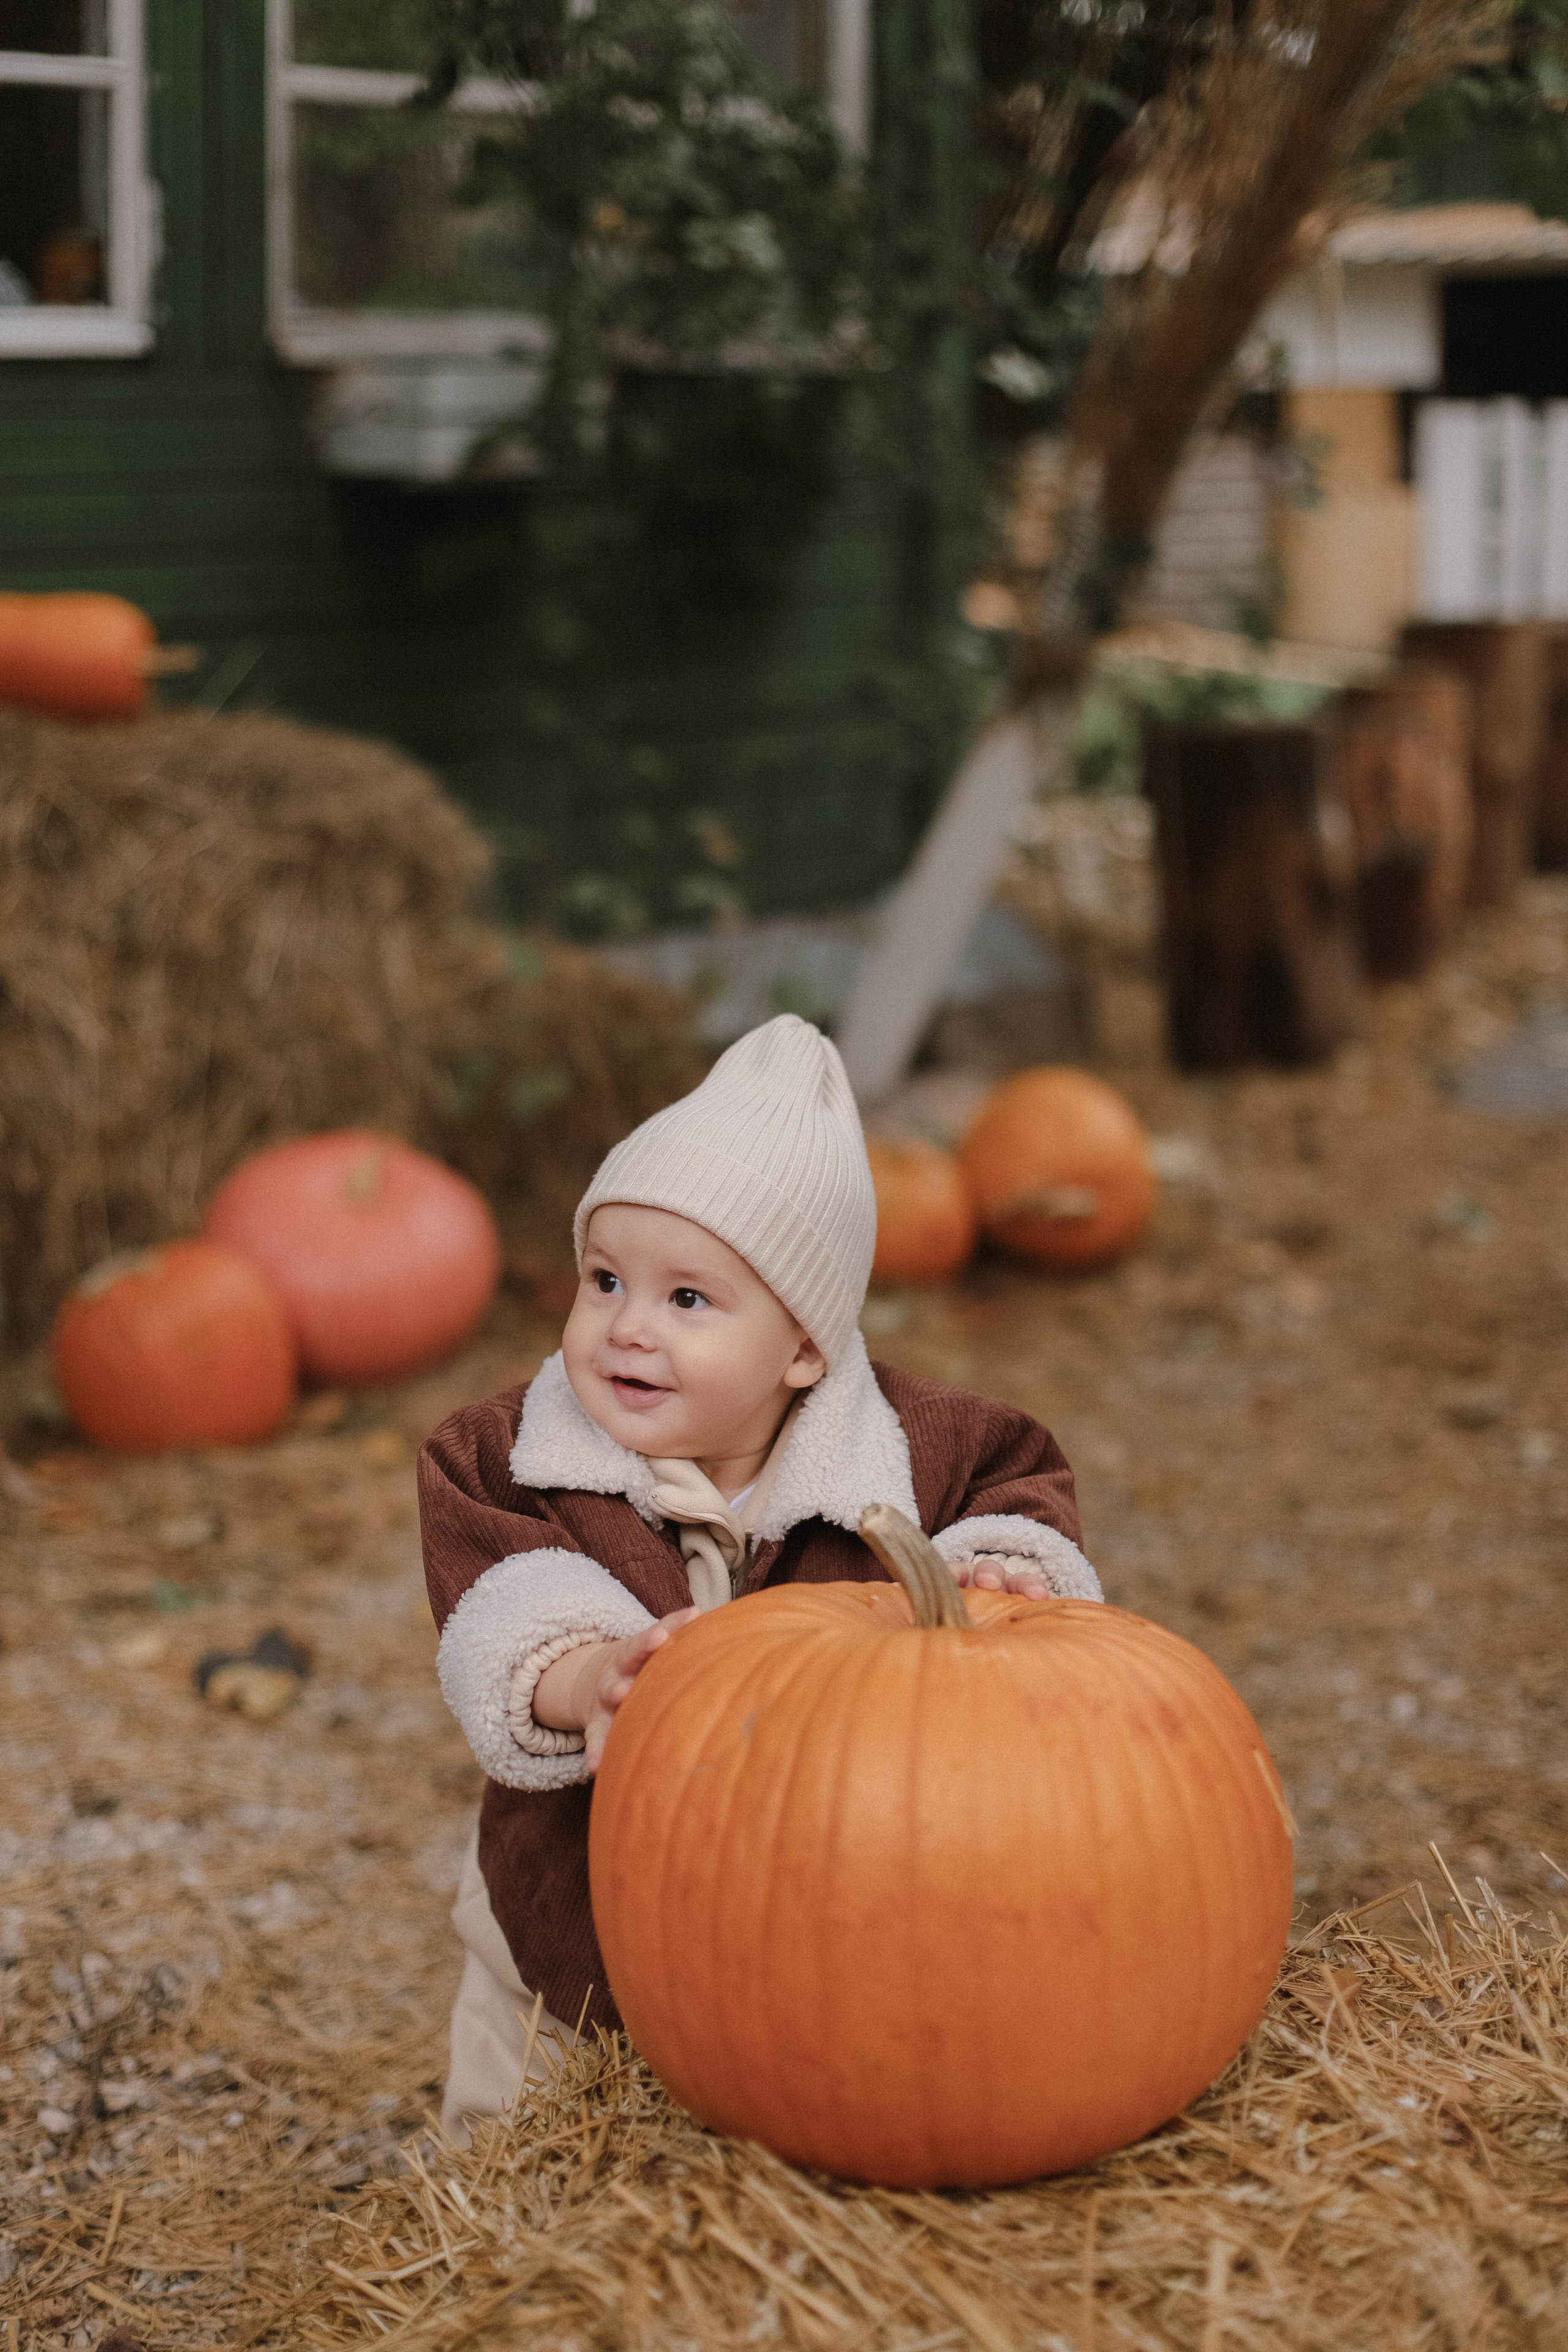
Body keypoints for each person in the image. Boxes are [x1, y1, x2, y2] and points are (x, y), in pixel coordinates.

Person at [418, 1014, 1101, 2143]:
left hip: (834, 1902)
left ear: (803, 1351)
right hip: (574, 1904)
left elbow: (1021, 1487)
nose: (628, 1329)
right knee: (522, 2101)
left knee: (781, 2111)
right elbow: (508, 1603)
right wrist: (590, 1678)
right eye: (605, 1280)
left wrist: (1000, 1575)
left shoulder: (917, 1447)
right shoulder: (510, 1457)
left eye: (688, 1300)